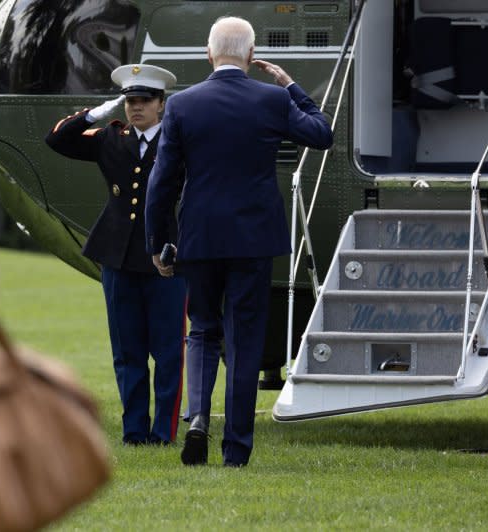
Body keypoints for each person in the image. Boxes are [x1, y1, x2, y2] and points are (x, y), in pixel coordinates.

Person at [145, 16, 333, 467]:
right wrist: (290, 86)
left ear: (209, 54)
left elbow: (162, 181)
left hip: (200, 236)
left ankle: (196, 421)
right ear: (251, 56)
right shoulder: (271, 100)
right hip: (253, 238)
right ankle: (236, 448)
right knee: (244, 339)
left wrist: (158, 240)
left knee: (203, 330)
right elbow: (321, 133)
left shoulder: (183, 105)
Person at [46, 64, 186, 445]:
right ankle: (134, 431)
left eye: (144, 101)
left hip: (166, 258)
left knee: (169, 351)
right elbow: (56, 140)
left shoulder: (178, 140)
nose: (135, 108)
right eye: (130, 101)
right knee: (127, 351)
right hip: (118, 255)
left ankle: (163, 432)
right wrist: (94, 114)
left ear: (161, 104)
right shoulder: (111, 138)